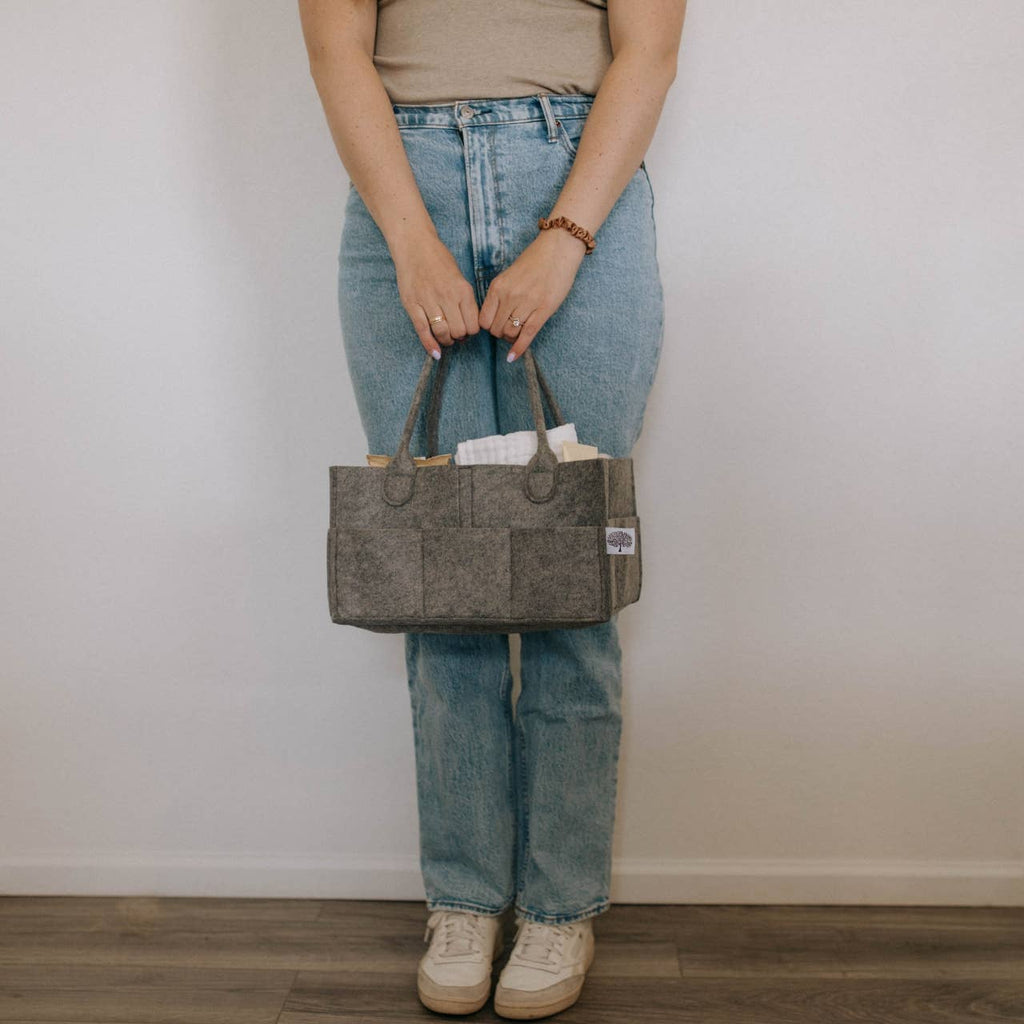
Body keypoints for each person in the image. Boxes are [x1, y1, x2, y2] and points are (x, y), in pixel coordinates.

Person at [299, 0, 687, 1017]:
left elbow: (648, 50)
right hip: (400, 186)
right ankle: (466, 898)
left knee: (569, 581)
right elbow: (336, 48)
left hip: (577, 186)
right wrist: (411, 239)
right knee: (443, 579)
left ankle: (560, 907)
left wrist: (562, 239)